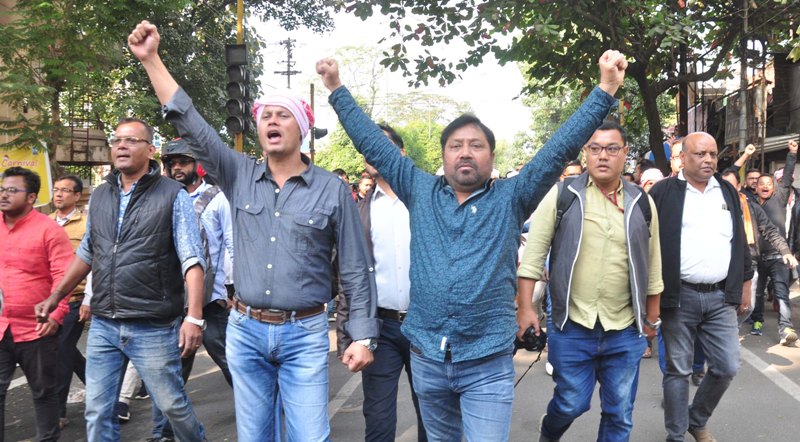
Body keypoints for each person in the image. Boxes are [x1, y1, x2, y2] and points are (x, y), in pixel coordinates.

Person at [317, 49, 628, 440]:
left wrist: (606, 88)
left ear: (491, 156)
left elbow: (559, 149)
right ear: (444, 156)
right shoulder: (420, 190)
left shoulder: (513, 197)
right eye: (456, 145)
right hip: (427, 357)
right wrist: (335, 89)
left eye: (476, 145)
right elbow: (373, 143)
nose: (465, 151)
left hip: (487, 362)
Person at [127, 21, 379, 441]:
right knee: (255, 436)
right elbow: (191, 123)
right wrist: (152, 59)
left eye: (283, 116)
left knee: (309, 435)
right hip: (245, 331)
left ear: (301, 129)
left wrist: (364, 335)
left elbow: (355, 267)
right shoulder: (237, 173)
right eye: (266, 116)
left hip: (305, 334)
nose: (272, 121)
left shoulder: (332, 190)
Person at [35, 117, 208, 442]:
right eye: (117, 140)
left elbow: (192, 259)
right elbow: (87, 253)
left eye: (131, 140)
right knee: (98, 410)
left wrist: (194, 317)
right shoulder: (100, 195)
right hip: (105, 324)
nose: (122, 146)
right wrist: (55, 296)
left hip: (153, 325)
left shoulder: (172, 195)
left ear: (150, 150)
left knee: (172, 405)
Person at [518, 122, 663, 441]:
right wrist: (526, 309)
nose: (603, 155)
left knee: (620, 413)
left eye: (612, 148)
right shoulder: (563, 195)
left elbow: (653, 267)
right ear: (585, 153)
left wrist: (652, 318)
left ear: (625, 154)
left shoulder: (641, 202)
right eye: (595, 148)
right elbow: (533, 255)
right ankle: (550, 429)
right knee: (571, 404)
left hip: (624, 329)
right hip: (571, 326)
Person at [649, 132, 753, 442]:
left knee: (727, 365)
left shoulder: (728, 192)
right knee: (678, 370)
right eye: (700, 154)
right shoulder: (663, 192)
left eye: (712, 154)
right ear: (683, 157)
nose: (708, 159)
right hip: (678, 296)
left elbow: (739, 243)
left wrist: (745, 284)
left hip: (720, 297)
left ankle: (697, 419)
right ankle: (677, 434)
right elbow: (645, 243)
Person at [149, 138, 236, 441]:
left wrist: (230, 289)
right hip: (173, 301)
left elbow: (230, 245)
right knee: (171, 370)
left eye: (182, 162)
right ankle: (162, 432)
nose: (176, 168)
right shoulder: (163, 199)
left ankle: (259, 403)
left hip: (211, 300)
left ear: (196, 164)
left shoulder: (217, 199)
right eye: (171, 163)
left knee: (228, 358)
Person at [353, 124, 427, 441]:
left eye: (381, 144)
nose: (374, 150)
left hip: (426, 326)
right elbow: (349, 275)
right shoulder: (359, 210)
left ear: (402, 153)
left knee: (433, 414)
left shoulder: (426, 199)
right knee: (379, 419)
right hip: (380, 329)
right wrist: (352, 334)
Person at [0, 167, 74, 442]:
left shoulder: (49, 231)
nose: (4, 195)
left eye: (12, 190)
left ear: (31, 197)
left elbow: (63, 276)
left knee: (44, 392)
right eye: (2, 189)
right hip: (0, 326)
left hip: (37, 329)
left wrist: (56, 314)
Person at [49, 174, 89, 429]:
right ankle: (102, 388)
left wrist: (90, 298)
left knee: (60, 353)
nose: (59, 194)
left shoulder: (86, 225)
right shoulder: (44, 224)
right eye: (56, 190)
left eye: (65, 190)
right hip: (51, 302)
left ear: (77, 196)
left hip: (75, 299)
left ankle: (58, 411)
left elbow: (93, 265)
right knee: (66, 352)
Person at [751, 139, 797, 343]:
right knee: (757, 293)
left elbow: (786, 178)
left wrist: (792, 154)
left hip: (779, 256)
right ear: (756, 187)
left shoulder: (779, 198)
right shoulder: (750, 204)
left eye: (769, 184)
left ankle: (786, 330)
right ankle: (757, 321)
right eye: (761, 184)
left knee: (781, 293)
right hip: (757, 258)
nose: (765, 186)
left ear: (773, 187)